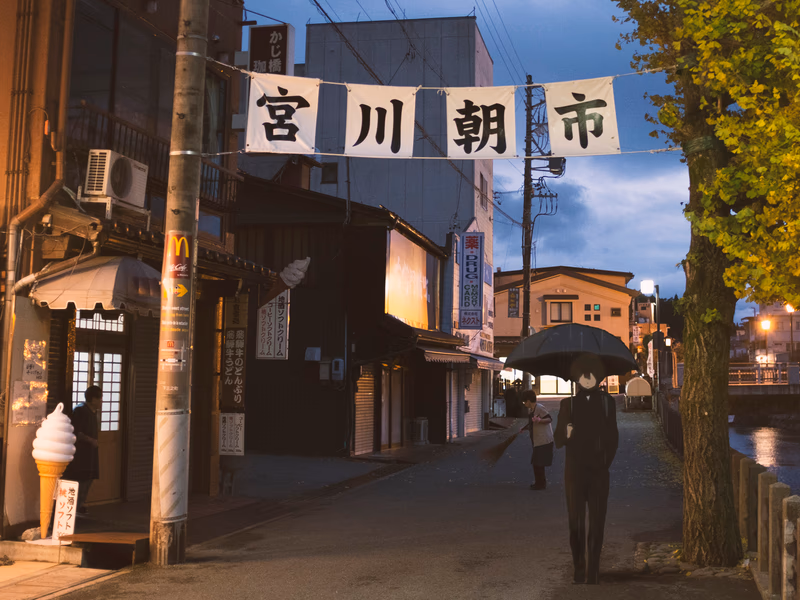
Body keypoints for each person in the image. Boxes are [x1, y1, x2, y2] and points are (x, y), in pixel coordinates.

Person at [554, 354, 619, 585]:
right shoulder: (568, 404)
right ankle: (578, 568)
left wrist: (604, 462)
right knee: (576, 522)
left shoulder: (606, 402)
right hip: (575, 472)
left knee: (598, 522)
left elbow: (613, 436)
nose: (588, 379)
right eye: (584, 375)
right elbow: (558, 440)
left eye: (592, 374)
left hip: (600, 472)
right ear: (577, 378)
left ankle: (594, 569)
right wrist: (566, 433)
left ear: (599, 377)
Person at [64, 386, 101, 514]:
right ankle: (74, 507)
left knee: (88, 478)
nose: (102, 401)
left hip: (90, 452)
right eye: (100, 398)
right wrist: (90, 440)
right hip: (80, 453)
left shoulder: (92, 411)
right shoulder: (80, 410)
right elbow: (76, 432)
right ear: (93, 399)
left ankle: (80, 504)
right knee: (78, 479)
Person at [519, 390, 553, 490]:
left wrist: (540, 420)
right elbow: (532, 423)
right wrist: (524, 428)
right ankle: (540, 483)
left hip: (543, 439)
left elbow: (549, 419)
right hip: (538, 440)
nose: (524, 404)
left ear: (529, 401)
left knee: (537, 463)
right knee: (537, 463)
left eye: (524, 402)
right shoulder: (532, 409)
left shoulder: (539, 408)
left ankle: (540, 484)